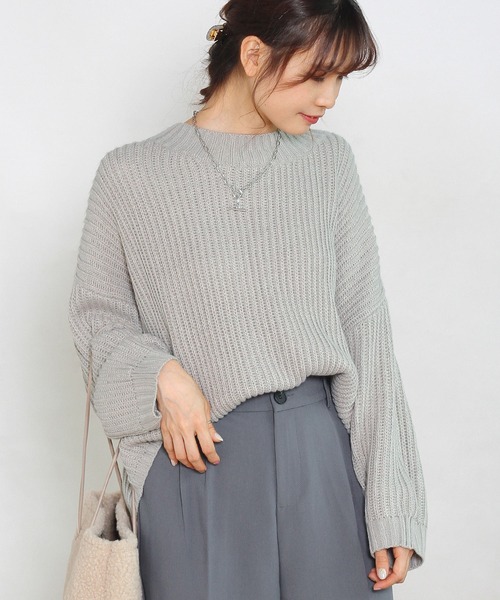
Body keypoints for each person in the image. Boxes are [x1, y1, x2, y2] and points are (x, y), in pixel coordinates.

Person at [68, 0, 428, 598]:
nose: (330, 97)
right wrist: (160, 375)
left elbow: (367, 333)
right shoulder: (130, 174)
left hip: (323, 459)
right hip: (195, 463)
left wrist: (394, 502)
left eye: (340, 78)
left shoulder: (329, 165)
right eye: (316, 75)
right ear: (254, 54)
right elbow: (96, 318)